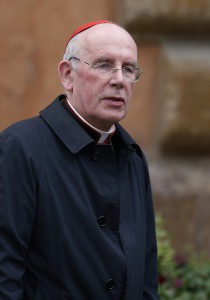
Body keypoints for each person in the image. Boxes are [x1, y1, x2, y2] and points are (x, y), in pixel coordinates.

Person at [0, 20, 160, 300]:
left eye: (129, 68)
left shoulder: (132, 157)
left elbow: (146, 275)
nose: (119, 80)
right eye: (104, 64)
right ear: (67, 74)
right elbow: (4, 271)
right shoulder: (19, 147)